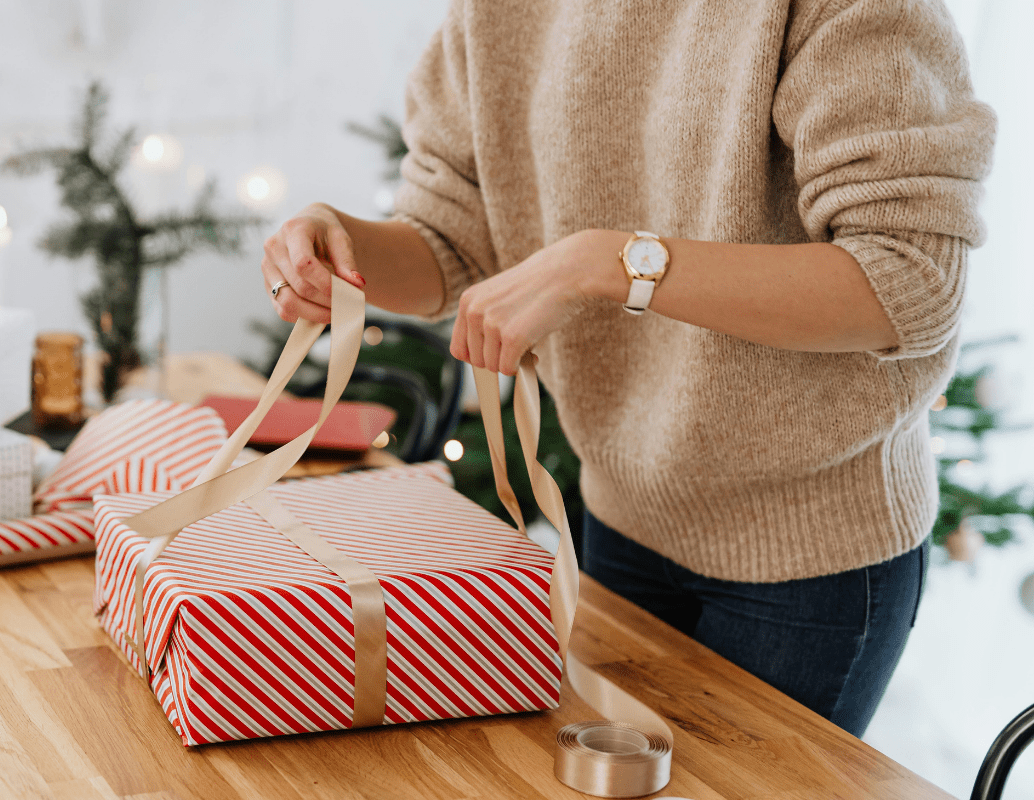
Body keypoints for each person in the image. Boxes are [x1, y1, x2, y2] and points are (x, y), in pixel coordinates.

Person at [258, 0, 995, 736]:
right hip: (617, 515)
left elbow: (908, 280)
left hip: (812, 564)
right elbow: (449, 236)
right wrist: (343, 251)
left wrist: (607, 264)